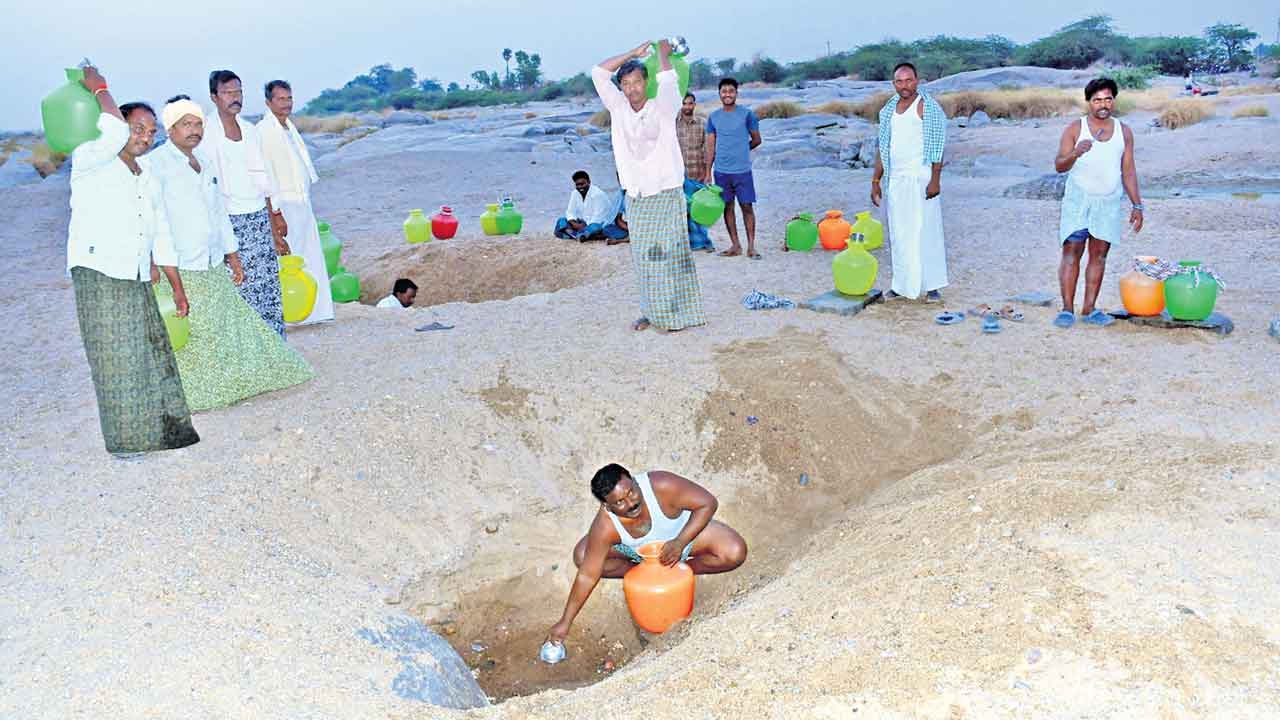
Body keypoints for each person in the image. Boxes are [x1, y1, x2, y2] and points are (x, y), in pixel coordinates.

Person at [148, 97, 315, 412]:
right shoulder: (156, 166)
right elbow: (155, 223)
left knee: (226, 325)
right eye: (186, 124)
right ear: (170, 128)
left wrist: (232, 254)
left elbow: (218, 213)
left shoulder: (203, 163)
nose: (194, 131)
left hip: (211, 259)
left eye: (198, 124)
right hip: (182, 264)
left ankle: (231, 382)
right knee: (195, 332)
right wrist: (161, 266)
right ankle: (193, 393)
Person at [65, 67, 199, 457]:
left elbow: (160, 233)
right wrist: (100, 88)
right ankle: (127, 443)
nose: (145, 136)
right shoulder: (92, 158)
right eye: (137, 127)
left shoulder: (146, 175)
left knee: (151, 353)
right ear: (121, 127)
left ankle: (165, 432)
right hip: (100, 274)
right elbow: (109, 129)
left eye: (151, 130)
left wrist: (174, 283)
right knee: (116, 362)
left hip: (136, 274)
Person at [546, 464, 748, 645]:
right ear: (606, 506)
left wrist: (680, 542)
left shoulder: (662, 485)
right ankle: (645, 574)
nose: (631, 503)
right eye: (619, 503)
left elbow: (708, 503)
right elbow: (587, 575)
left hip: (683, 537)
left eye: (631, 492)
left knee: (734, 552)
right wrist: (565, 623)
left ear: (634, 481)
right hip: (639, 555)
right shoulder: (605, 525)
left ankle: (678, 571)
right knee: (583, 557)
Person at [592, 40, 706, 333]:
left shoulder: (663, 106)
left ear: (646, 83)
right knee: (645, 259)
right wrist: (632, 53)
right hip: (637, 197)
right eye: (626, 83)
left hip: (666, 193)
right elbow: (599, 73)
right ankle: (652, 312)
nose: (631, 89)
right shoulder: (618, 109)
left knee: (672, 256)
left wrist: (664, 55)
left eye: (637, 82)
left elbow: (669, 79)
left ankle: (677, 316)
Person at [1053, 77, 1144, 328]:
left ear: (1113, 100)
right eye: (1097, 100)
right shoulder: (1075, 128)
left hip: (1109, 203)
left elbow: (1128, 171)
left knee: (1099, 256)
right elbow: (1059, 166)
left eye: (1108, 99)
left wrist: (1137, 205)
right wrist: (1075, 152)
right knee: (1071, 253)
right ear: (1088, 102)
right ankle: (1067, 310)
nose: (1103, 104)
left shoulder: (1124, 131)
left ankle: (1090, 309)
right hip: (1078, 202)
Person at [203, 69, 288, 336]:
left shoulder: (251, 132)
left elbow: (264, 181)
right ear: (214, 97)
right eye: (228, 92)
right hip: (229, 222)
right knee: (240, 288)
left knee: (268, 288)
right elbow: (207, 189)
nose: (235, 98)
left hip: (258, 219)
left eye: (238, 92)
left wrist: (274, 223)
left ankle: (276, 353)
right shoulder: (206, 134)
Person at [257, 79, 334, 326]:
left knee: (310, 255)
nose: (286, 103)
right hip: (284, 205)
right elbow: (265, 175)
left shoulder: (289, 127)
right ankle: (290, 316)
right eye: (280, 99)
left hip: (302, 202)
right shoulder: (263, 131)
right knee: (289, 259)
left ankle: (315, 312)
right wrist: (275, 212)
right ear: (268, 102)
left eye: (289, 98)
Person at [871, 62, 949, 303]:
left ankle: (932, 285)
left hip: (921, 177)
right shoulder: (888, 110)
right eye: (899, 81)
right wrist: (876, 180)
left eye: (908, 80)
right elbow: (884, 148)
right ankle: (901, 284)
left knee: (926, 229)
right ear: (894, 83)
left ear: (917, 81)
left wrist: (935, 180)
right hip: (897, 179)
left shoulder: (927, 107)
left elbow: (938, 147)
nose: (904, 86)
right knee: (900, 232)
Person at [704, 78, 762, 258]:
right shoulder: (713, 117)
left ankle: (751, 246)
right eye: (724, 91)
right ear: (719, 94)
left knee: (747, 207)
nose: (727, 94)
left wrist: (742, 150)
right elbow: (711, 147)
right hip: (721, 172)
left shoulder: (747, 115)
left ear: (736, 93)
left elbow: (757, 139)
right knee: (727, 208)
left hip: (742, 171)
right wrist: (708, 173)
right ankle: (735, 245)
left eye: (731, 91)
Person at [554, 170, 614, 241]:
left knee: (594, 228)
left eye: (582, 184)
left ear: (589, 182)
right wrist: (574, 224)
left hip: (600, 224)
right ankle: (580, 236)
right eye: (577, 185)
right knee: (561, 221)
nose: (580, 187)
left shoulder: (598, 195)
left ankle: (576, 235)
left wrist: (582, 226)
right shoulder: (575, 193)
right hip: (583, 224)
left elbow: (598, 218)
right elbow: (570, 212)